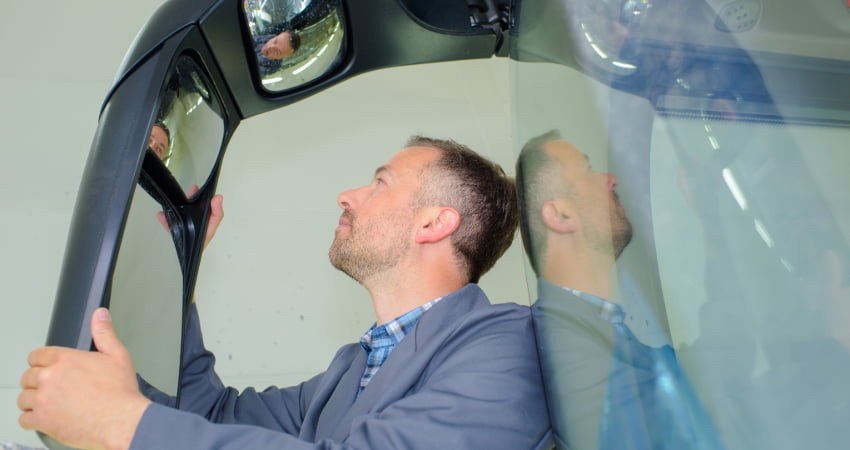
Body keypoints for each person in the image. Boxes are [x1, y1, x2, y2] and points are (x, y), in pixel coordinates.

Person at [19, 136, 552, 449]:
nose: (348, 196)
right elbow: (212, 414)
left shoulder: (511, 344)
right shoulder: (353, 368)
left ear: (434, 223)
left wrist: (124, 424)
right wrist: (180, 264)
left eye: (380, 182)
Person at [516, 130, 722, 450]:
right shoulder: (560, 347)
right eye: (587, 170)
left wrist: (712, 223)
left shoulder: (603, 332)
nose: (610, 179)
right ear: (560, 215)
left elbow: (711, 369)